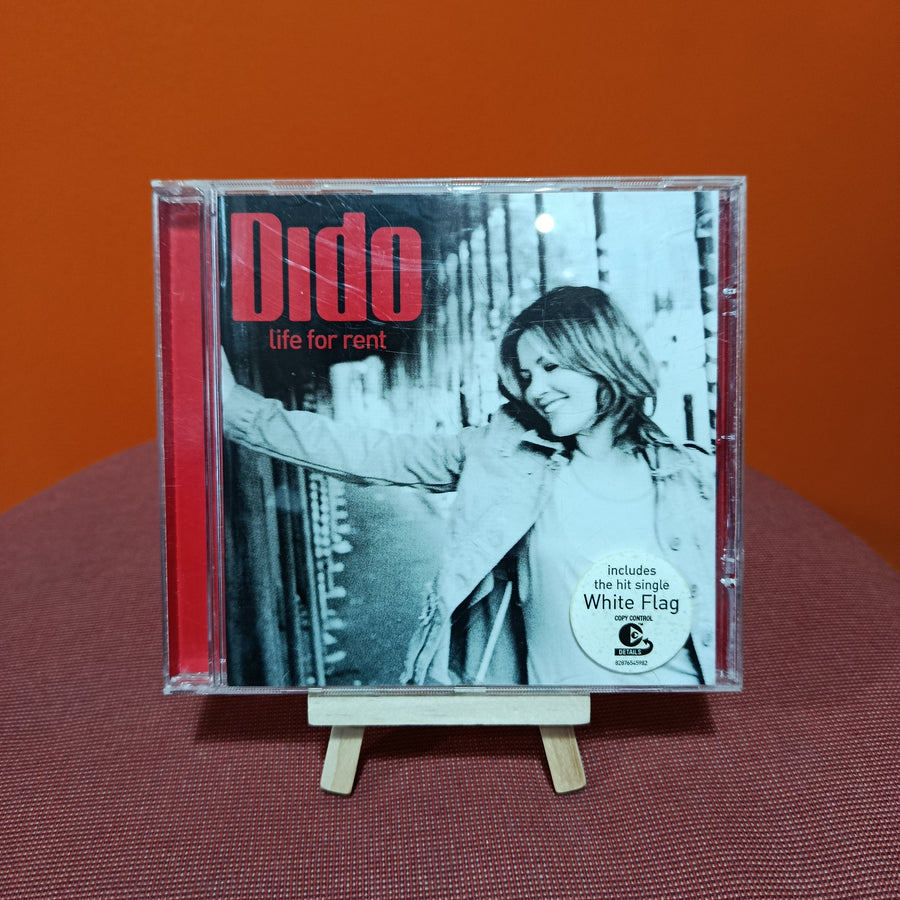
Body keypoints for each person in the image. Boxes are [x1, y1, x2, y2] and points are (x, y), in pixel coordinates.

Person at [222, 286, 715, 687]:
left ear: (602, 356)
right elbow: (371, 451)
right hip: (559, 718)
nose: (536, 389)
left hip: (675, 705)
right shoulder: (501, 456)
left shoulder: (691, 477)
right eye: (526, 375)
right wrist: (234, 408)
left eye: (550, 367)